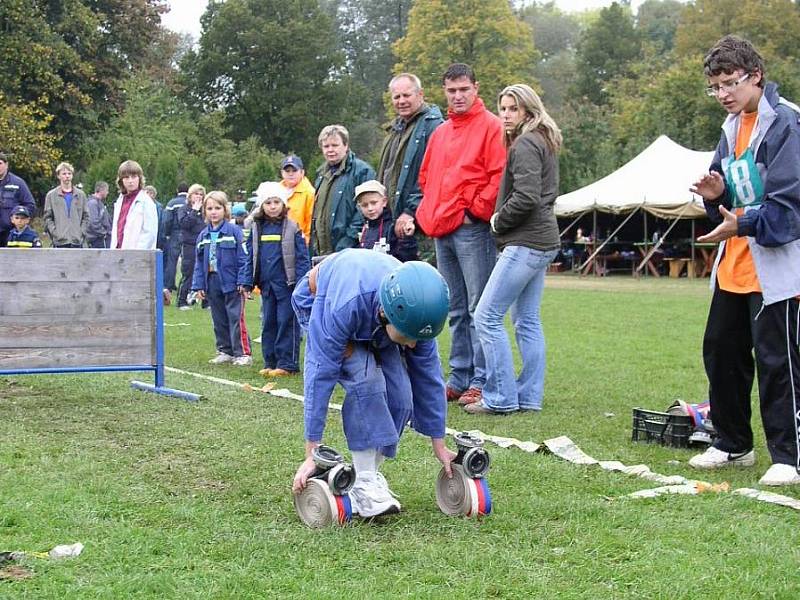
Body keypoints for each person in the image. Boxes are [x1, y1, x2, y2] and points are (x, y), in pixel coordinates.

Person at [687, 35, 800, 486]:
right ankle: (732, 444)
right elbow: (733, 194)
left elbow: (789, 208)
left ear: (756, 75)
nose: (722, 94)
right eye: (714, 87)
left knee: (779, 361)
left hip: (778, 269)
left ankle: (788, 456)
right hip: (734, 264)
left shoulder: (787, 125)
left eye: (729, 83)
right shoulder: (731, 127)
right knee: (722, 352)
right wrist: (716, 197)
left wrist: (742, 222)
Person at [290, 249, 455, 517]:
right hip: (322, 301)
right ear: (389, 313)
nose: (413, 345)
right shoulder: (344, 308)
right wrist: (312, 452)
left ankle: (367, 476)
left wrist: (439, 445)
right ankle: (364, 482)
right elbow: (319, 374)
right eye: (409, 337)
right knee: (367, 381)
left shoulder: (418, 315)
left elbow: (429, 377)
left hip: (374, 319)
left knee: (402, 397)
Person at [466, 84, 562, 415]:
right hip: (543, 241)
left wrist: (497, 221)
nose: (505, 114)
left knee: (486, 316)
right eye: (503, 108)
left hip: (527, 241)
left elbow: (526, 197)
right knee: (526, 320)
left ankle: (501, 397)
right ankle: (529, 397)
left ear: (528, 112)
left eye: (512, 109)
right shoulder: (542, 141)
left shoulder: (524, 143)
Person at [417, 63, 506, 407]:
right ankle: (459, 376)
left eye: (463, 89)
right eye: (452, 91)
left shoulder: (491, 128)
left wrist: (473, 211)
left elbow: (498, 177)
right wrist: (432, 212)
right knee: (454, 308)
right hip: (443, 228)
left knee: (478, 307)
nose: (457, 96)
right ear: (444, 92)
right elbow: (427, 178)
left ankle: (481, 380)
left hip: (472, 229)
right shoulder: (440, 133)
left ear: (475, 88)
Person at [377, 73, 444, 262]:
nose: (401, 101)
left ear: (420, 94)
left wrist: (410, 211)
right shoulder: (394, 130)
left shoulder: (434, 127)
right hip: (394, 224)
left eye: (407, 95)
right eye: (396, 97)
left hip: (419, 226)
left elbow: (433, 176)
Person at [248, 182, 310, 377]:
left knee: (287, 322)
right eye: (268, 202)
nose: (273, 206)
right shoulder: (257, 228)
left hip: (287, 285)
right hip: (266, 286)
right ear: (262, 205)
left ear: (283, 205)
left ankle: (287, 363)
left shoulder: (292, 228)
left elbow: (301, 258)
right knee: (268, 323)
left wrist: (301, 283)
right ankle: (270, 361)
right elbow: (250, 256)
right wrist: (246, 281)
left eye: (277, 202)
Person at [191, 191, 253, 366]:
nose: (213, 212)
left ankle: (242, 353)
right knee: (218, 318)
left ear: (225, 209)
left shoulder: (234, 232)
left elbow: (243, 258)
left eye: (217, 208)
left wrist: (243, 281)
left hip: (232, 282)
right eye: (209, 208)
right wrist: (199, 285)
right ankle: (225, 350)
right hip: (212, 282)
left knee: (235, 317)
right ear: (204, 211)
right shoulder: (202, 236)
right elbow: (198, 263)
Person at [310, 125, 375, 257]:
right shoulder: (321, 175)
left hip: (350, 250)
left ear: (345, 146)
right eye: (326, 146)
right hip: (323, 251)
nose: (330, 150)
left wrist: (347, 241)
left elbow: (365, 212)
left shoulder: (362, 172)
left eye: (335, 145)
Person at [355, 180, 416, 261]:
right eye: (364, 205)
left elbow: (407, 257)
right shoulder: (364, 229)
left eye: (373, 203)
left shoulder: (392, 226)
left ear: (384, 202)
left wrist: (407, 239)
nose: (370, 208)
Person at [110, 160, 158, 250]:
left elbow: (149, 234)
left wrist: (136, 255)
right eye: (126, 177)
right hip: (118, 255)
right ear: (121, 180)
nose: (130, 181)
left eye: (134, 177)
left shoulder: (146, 202)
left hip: (138, 256)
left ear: (139, 178)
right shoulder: (119, 201)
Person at [43, 162, 88, 248]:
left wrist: (81, 232)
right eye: (64, 174)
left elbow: (86, 217)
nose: (67, 176)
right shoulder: (51, 195)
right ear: (58, 176)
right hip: (60, 242)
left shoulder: (81, 195)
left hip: (77, 241)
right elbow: (47, 217)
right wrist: (55, 233)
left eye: (69, 173)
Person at [177, 184, 207, 310]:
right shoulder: (184, 209)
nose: (199, 197)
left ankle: (206, 302)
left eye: (201, 195)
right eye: (196, 194)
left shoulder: (206, 210)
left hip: (204, 244)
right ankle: (182, 301)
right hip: (189, 245)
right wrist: (194, 211)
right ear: (190, 196)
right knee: (188, 272)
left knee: (207, 272)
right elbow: (184, 224)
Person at [0, 152, 36, 248]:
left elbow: (30, 206)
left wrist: (19, 222)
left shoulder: (18, 183)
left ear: (6, 165)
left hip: (11, 236)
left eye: (0, 163)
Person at [279, 154, 315, 243]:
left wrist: (303, 246)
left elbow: (310, 226)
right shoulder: (275, 191)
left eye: (294, 170)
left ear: (302, 172)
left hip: (298, 244)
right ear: (282, 173)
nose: (291, 174)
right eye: (287, 171)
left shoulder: (310, 193)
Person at [162, 183, 189, 293]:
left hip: (175, 233)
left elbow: (167, 220)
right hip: (188, 234)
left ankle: (169, 285)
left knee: (172, 261)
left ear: (177, 190)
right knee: (188, 261)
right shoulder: (190, 203)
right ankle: (187, 285)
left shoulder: (172, 203)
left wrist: (167, 233)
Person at [85, 181, 112, 248]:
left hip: (101, 239)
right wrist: (103, 233)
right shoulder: (92, 203)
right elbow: (93, 221)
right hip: (97, 240)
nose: (107, 193)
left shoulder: (99, 203)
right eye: (107, 190)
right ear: (101, 190)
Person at [144, 185, 167, 253]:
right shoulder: (140, 205)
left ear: (154, 195)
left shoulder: (159, 207)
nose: (148, 195)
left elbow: (162, 224)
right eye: (147, 193)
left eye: (150, 193)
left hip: (157, 237)